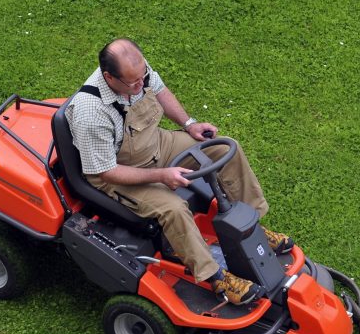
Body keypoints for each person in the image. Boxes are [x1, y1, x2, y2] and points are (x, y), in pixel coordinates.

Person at [66, 38, 293, 305]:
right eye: (133, 83)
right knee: (173, 208)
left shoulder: (137, 72)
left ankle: (251, 226)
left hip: (156, 144)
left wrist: (189, 124)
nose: (141, 85)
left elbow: (160, 91)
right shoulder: (90, 113)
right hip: (119, 172)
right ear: (109, 77)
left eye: (143, 77)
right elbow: (106, 172)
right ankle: (216, 276)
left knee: (222, 149)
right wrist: (161, 176)